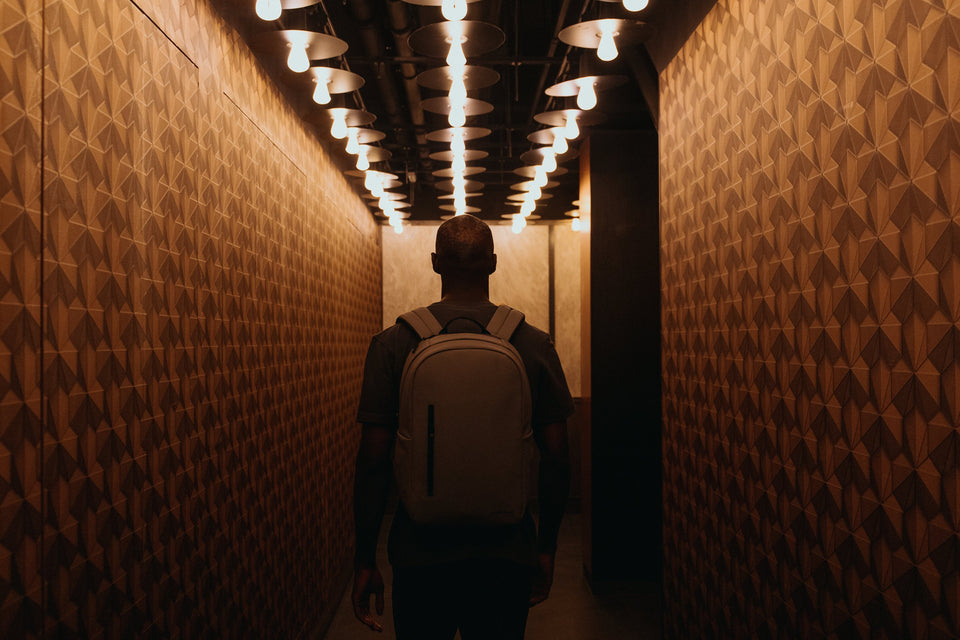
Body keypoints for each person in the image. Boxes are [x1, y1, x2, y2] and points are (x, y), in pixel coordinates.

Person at [352, 214, 573, 639]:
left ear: (436, 263)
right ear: (493, 263)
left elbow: (373, 460)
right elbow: (558, 457)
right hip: (506, 553)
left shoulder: (393, 344)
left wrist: (364, 558)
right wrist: (545, 549)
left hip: (419, 553)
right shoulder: (532, 343)